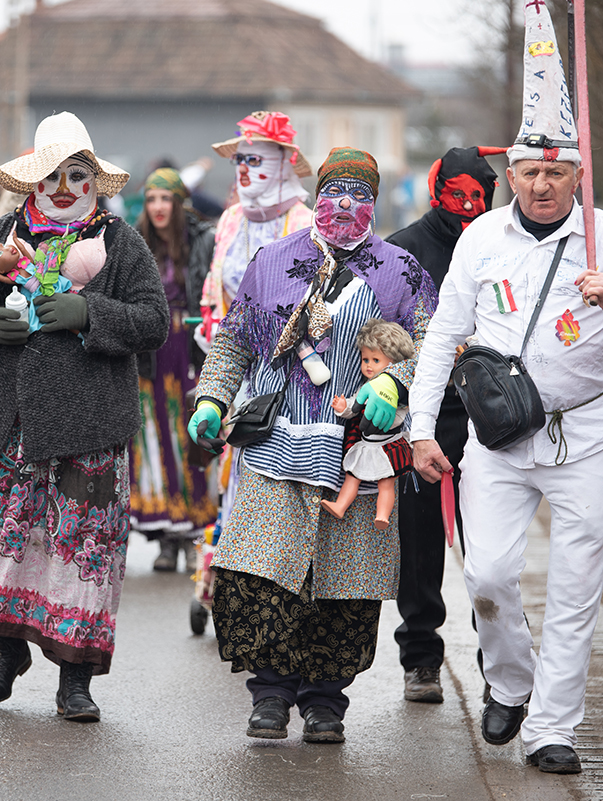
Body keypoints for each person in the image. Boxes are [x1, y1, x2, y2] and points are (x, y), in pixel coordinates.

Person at [408, 2, 603, 775]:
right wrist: (423, 428)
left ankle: (552, 727)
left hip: (586, 433)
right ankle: (512, 680)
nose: (540, 184)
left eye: (555, 171)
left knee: (575, 586)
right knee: (489, 575)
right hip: (499, 435)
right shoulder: (482, 240)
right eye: (527, 170)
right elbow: (440, 337)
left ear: (576, 173)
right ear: (511, 174)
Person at [187, 148, 437, 744]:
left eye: (358, 193)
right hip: (278, 445)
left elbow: (432, 344)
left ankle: (326, 700)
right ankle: (270, 695)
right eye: (333, 191)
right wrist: (212, 399)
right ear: (316, 196)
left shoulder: (401, 272)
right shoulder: (272, 262)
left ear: (374, 204)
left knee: (343, 582)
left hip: (361, 452)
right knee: (263, 571)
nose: (344, 204)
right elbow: (233, 342)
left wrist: (393, 382)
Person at [0, 111, 169, 723]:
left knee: (81, 546)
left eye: (77, 175)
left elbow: (154, 322)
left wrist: (88, 313)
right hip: (7, 422)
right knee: (1, 538)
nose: (64, 188)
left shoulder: (120, 243)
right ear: (32, 183)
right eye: (51, 176)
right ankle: (6, 652)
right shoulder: (2, 236)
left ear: (94, 180)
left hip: (89, 427)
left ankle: (75, 679)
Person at [385, 145, 505, 704]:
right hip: (423, 415)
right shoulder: (403, 251)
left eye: (478, 198)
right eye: (456, 196)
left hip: (492, 416)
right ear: (438, 191)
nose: (466, 207)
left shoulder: (505, 244)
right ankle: (421, 658)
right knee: (420, 539)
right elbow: (379, 335)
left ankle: (498, 662)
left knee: (492, 547)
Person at [194, 111, 314, 555]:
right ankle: (229, 571)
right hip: (232, 367)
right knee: (232, 477)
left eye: (257, 159)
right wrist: (210, 328)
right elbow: (214, 287)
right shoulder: (229, 221)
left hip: (294, 379)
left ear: (283, 163)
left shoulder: (306, 224)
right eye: (240, 159)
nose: (244, 169)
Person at [129, 167, 218, 571]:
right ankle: (166, 536)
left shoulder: (204, 240)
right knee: (152, 440)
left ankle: (195, 530)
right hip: (150, 352)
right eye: (151, 199)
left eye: (166, 199)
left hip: (190, 349)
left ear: (180, 203)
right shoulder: (136, 243)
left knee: (189, 437)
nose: (159, 207)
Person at [321, 319, 415, 527]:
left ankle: (383, 515)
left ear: (393, 364)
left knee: (386, 483)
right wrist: (344, 407)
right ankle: (340, 506)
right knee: (351, 477)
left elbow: (401, 411)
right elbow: (356, 404)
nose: (369, 366)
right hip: (366, 443)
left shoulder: (396, 390)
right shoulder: (368, 386)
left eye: (375, 360)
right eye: (365, 360)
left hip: (388, 444)